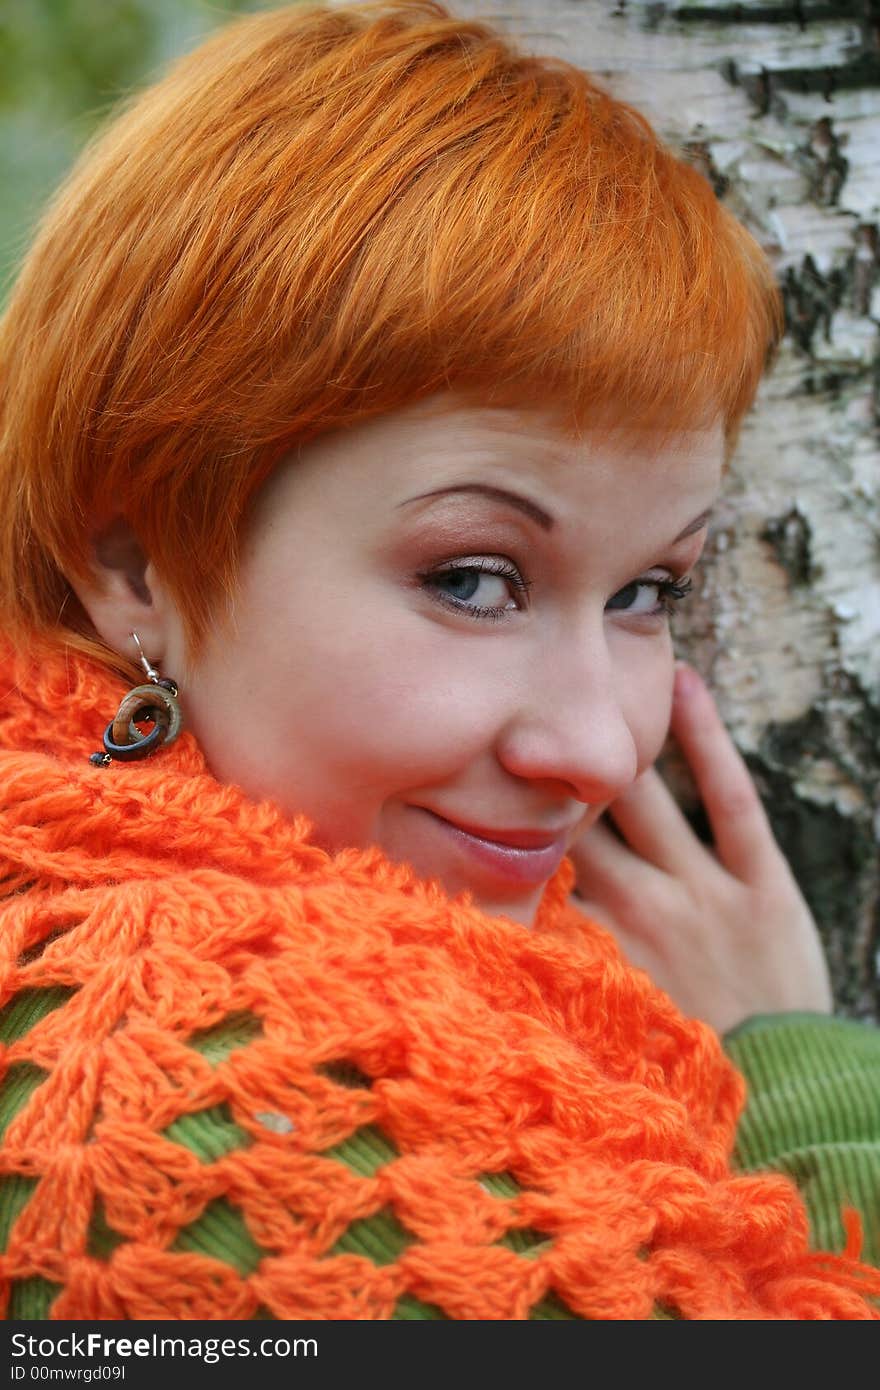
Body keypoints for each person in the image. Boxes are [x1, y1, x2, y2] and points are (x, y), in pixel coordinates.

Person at [0, 0, 877, 1321]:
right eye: (473, 579)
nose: (594, 747)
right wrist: (801, 1076)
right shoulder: (171, 1097)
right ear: (136, 566)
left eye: (650, 590)